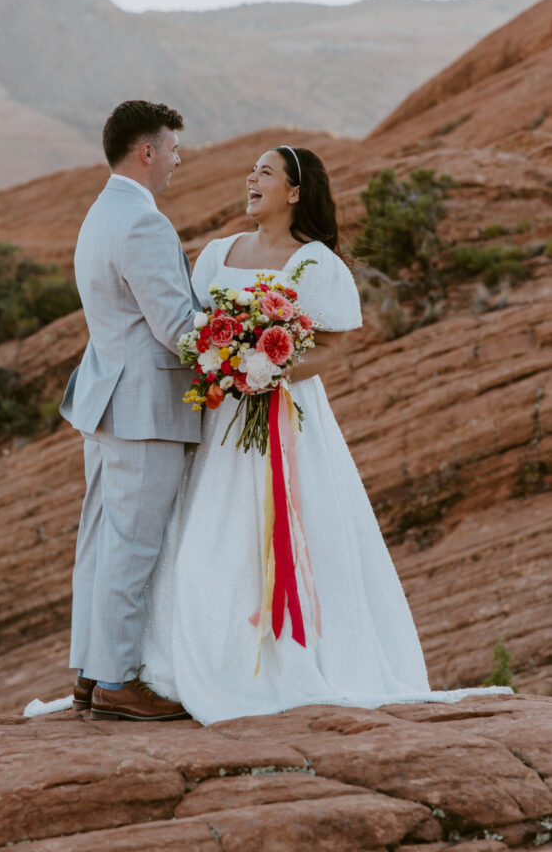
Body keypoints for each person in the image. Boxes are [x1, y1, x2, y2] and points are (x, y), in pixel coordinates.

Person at [139, 145, 511, 725]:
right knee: (207, 530)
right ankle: (197, 656)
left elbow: (332, 345)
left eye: (265, 172)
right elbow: (196, 327)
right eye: (251, 171)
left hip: (285, 417)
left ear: (294, 192)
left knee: (282, 530)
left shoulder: (316, 264)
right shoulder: (215, 255)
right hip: (221, 419)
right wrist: (228, 363)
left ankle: (283, 660)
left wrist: (268, 367)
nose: (251, 179)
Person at [58, 99, 200, 722]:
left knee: (102, 538)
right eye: (172, 148)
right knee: (132, 543)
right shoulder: (144, 223)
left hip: (107, 398)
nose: (177, 159)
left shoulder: (100, 213)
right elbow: (175, 326)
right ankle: (116, 679)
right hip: (144, 404)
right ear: (147, 151)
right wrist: (249, 345)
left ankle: (92, 670)